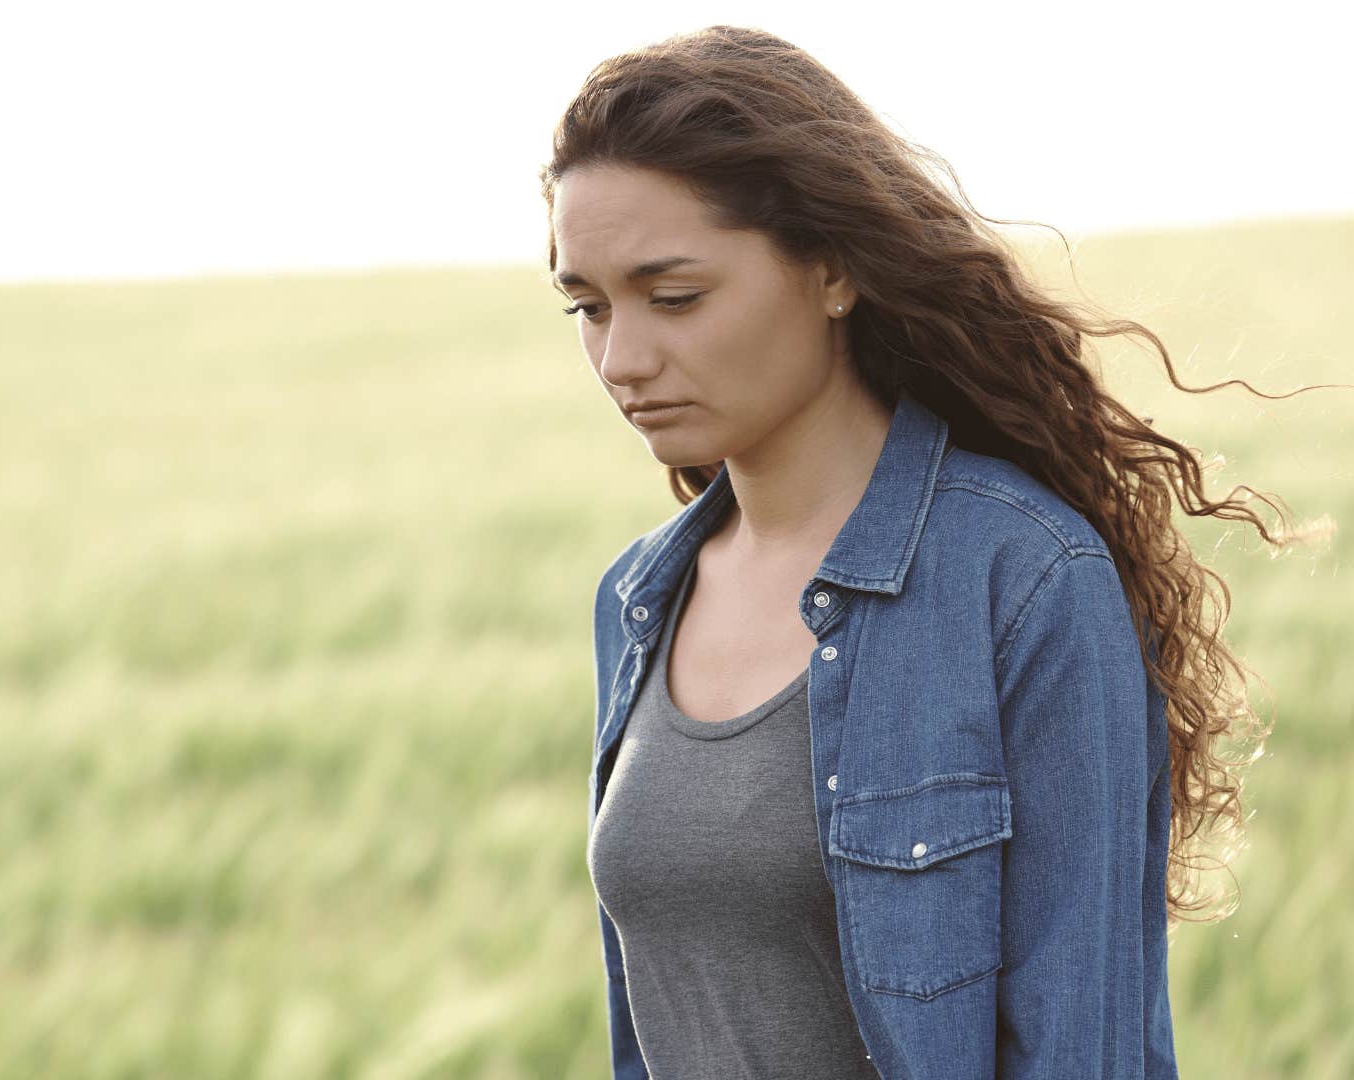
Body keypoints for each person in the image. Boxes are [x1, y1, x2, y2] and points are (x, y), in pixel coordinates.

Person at [541, 25, 1317, 1080]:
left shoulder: (1024, 579)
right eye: (587, 307)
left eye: (675, 297)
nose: (622, 358)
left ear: (833, 271)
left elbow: (1080, 1049)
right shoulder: (638, 599)